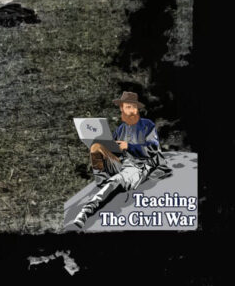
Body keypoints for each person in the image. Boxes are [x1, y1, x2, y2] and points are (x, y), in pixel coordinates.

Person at [72, 90, 171, 229]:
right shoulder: (121, 129)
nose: (131, 111)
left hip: (139, 166)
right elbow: (115, 152)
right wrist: (109, 147)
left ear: (137, 109)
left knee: (117, 180)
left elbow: (153, 149)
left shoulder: (147, 125)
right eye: (127, 107)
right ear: (122, 108)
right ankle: (103, 182)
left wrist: (129, 146)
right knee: (95, 147)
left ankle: (86, 211)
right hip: (123, 163)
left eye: (133, 107)